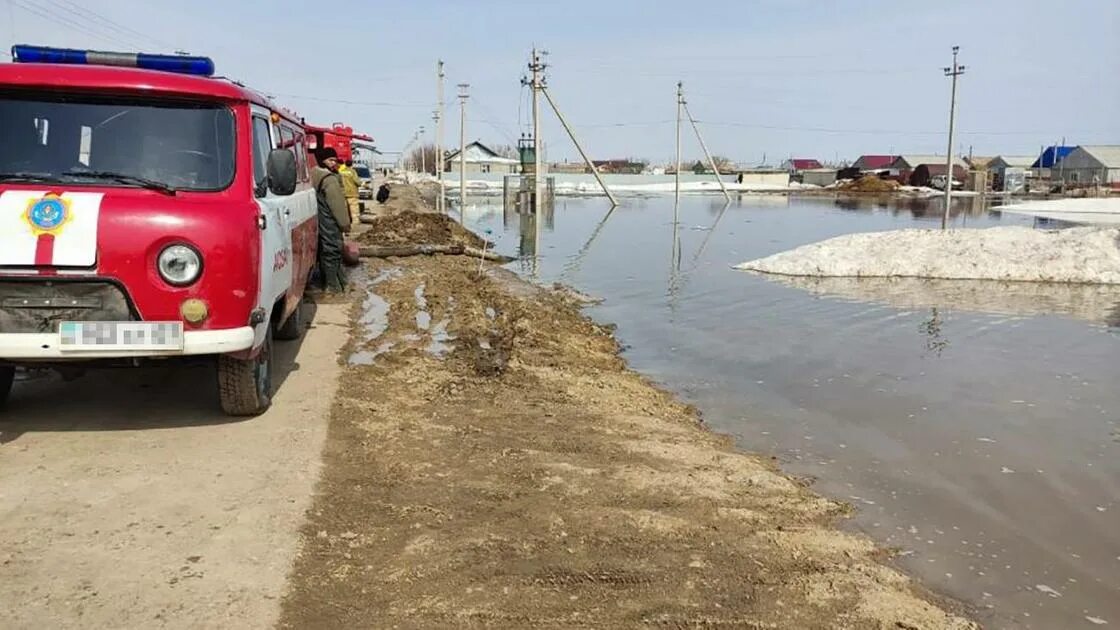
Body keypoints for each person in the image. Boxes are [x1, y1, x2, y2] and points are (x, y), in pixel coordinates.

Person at [311, 147, 350, 293]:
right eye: (330, 160)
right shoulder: (329, 179)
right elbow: (337, 205)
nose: (334, 163)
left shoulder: (312, 173)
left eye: (335, 160)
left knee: (324, 251)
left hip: (317, 220)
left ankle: (336, 283)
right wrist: (345, 225)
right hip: (329, 221)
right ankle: (332, 287)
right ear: (323, 160)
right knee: (333, 251)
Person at [339, 159, 362, 226]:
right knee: (354, 209)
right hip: (352, 193)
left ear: (345, 164)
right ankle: (355, 223)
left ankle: (346, 223)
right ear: (352, 164)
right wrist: (361, 183)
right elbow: (357, 182)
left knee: (345, 211)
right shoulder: (352, 172)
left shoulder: (341, 172)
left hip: (343, 193)